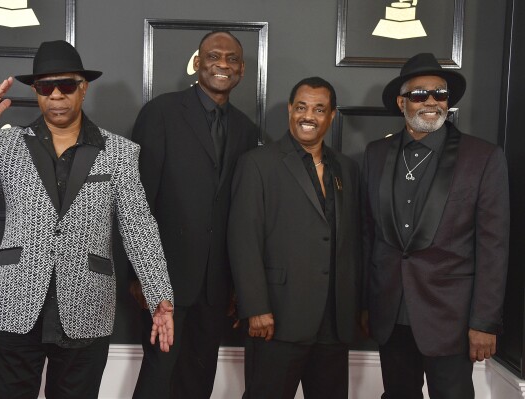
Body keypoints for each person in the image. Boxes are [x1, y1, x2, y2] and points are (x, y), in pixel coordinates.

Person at [0, 40, 174, 399]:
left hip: (87, 304)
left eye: (65, 85)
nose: (56, 95)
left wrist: (159, 294)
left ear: (83, 88)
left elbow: (139, 227)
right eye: (45, 87)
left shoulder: (120, 152)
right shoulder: (7, 145)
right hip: (15, 300)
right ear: (36, 93)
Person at [361, 52, 509, 399]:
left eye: (439, 94)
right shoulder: (375, 154)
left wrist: (484, 323)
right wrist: (366, 303)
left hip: (451, 318)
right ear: (402, 103)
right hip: (390, 312)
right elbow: (368, 235)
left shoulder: (483, 157)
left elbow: (494, 247)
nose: (430, 101)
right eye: (419, 94)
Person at [129, 31, 259, 398]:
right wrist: (140, 276)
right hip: (164, 280)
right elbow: (136, 202)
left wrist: (237, 285)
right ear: (198, 62)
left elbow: (240, 211)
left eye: (232, 58)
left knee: (198, 381)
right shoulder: (161, 113)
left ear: (242, 69)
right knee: (158, 379)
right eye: (214, 56)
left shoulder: (246, 130)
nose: (223, 64)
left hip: (216, 288)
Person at [228, 77, 362, 399]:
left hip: (334, 322)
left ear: (331, 116)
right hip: (278, 318)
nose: (308, 116)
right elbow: (243, 239)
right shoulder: (257, 164)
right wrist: (255, 307)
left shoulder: (346, 168)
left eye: (319, 109)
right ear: (290, 110)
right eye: (301, 107)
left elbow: (355, 242)